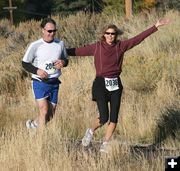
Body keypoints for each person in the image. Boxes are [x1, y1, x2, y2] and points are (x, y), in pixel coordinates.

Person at [67, 19, 170, 153]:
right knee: (104, 117)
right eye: (108, 33)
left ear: (116, 35)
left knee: (114, 117)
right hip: (100, 84)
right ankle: (90, 131)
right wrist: (58, 50)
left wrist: (155, 26)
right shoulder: (97, 47)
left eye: (113, 34)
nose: (110, 36)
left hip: (116, 84)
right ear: (103, 34)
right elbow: (77, 51)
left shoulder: (121, 46)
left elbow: (138, 39)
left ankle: (105, 143)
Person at [22, 18, 68, 130]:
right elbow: (25, 63)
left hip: (54, 82)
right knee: (44, 110)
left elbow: (65, 60)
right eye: (49, 31)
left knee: (50, 115)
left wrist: (63, 62)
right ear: (43, 30)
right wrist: (37, 71)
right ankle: (41, 141)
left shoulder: (60, 44)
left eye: (54, 31)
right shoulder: (35, 45)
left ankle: (33, 125)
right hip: (39, 82)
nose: (52, 34)